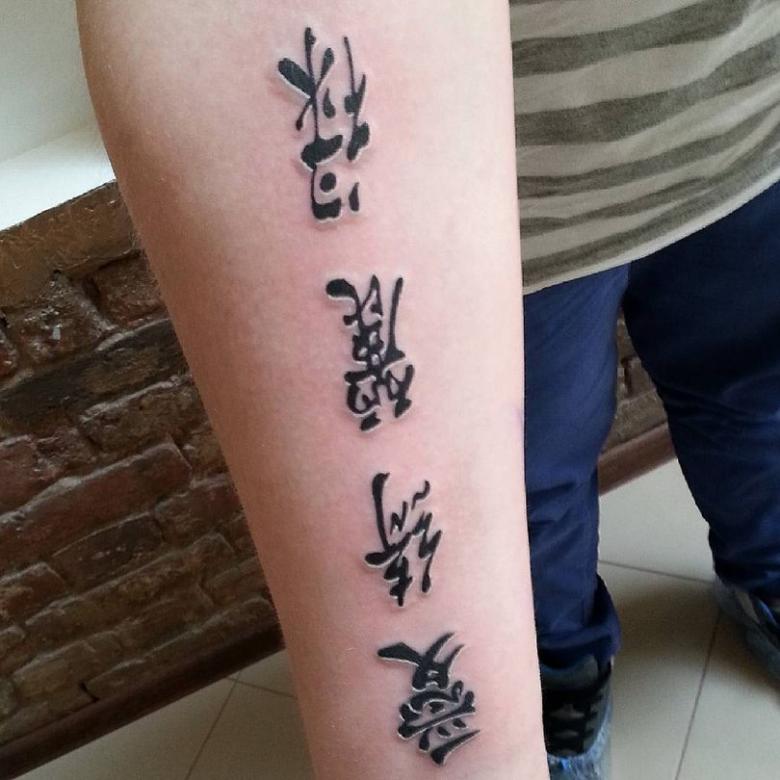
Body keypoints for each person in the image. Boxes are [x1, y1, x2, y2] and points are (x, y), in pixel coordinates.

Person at [77, 2, 780, 778]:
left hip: (755, 119)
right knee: (526, 493)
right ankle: (556, 676)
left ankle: (767, 576)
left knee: (760, 405)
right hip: (508, 205)